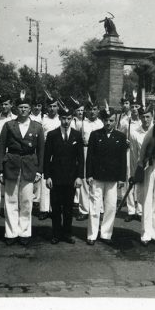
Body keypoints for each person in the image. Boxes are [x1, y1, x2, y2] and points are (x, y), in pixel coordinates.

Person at [0, 95, 45, 246]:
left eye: (26, 107)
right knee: (10, 200)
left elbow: (41, 150)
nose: (23, 110)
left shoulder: (37, 126)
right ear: (16, 109)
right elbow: (2, 147)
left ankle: (24, 232)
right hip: (11, 164)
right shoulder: (9, 125)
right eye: (21, 107)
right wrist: (0, 169)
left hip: (30, 165)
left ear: (30, 109)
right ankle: (11, 233)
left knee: (26, 201)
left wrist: (39, 170)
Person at [85, 108, 127, 245]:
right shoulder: (95, 135)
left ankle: (106, 234)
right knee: (95, 206)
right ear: (102, 120)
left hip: (113, 177)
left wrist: (122, 177)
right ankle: (92, 234)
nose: (108, 123)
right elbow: (90, 156)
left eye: (111, 121)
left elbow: (122, 159)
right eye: (106, 120)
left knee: (110, 206)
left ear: (115, 122)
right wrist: (89, 174)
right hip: (97, 176)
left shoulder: (120, 137)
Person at [43, 104, 84, 244]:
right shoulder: (52, 135)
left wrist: (79, 176)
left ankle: (67, 233)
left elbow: (80, 159)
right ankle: (56, 234)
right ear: (60, 118)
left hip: (71, 178)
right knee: (55, 207)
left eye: (69, 119)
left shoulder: (77, 135)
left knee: (68, 208)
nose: (66, 122)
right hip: (55, 177)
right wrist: (47, 176)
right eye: (63, 119)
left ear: (72, 119)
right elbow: (47, 157)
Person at [134, 109, 155, 246]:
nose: (145, 120)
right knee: (147, 199)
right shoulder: (137, 132)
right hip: (146, 166)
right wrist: (140, 166)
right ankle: (146, 234)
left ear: (152, 117)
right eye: (143, 117)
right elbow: (137, 152)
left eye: (148, 117)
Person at [77, 100, 103, 221]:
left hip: (98, 153)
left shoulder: (101, 123)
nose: (92, 112)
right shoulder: (83, 123)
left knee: (97, 179)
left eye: (95, 109)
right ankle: (83, 209)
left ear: (98, 110)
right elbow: (78, 138)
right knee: (84, 179)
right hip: (85, 150)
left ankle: (99, 208)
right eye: (90, 109)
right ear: (87, 110)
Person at [120, 96, 143, 221]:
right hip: (129, 153)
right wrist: (125, 141)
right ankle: (130, 210)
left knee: (140, 180)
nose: (134, 109)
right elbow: (119, 136)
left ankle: (140, 210)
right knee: (130, 179)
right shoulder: (125, 122)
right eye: (132, 107)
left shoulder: (143, 121)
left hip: (141, 154)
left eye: (137, 107)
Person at [39, 96, 61, 220]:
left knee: (56, 180)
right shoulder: (43, 119)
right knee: (45, 179)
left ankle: (55, 208)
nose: (52, 109)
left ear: (58, 107)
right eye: (50, 106)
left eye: (54, 106)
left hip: (59, 152)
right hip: (46, 150)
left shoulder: (61, 119)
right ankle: (44, 209)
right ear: (47, 107)